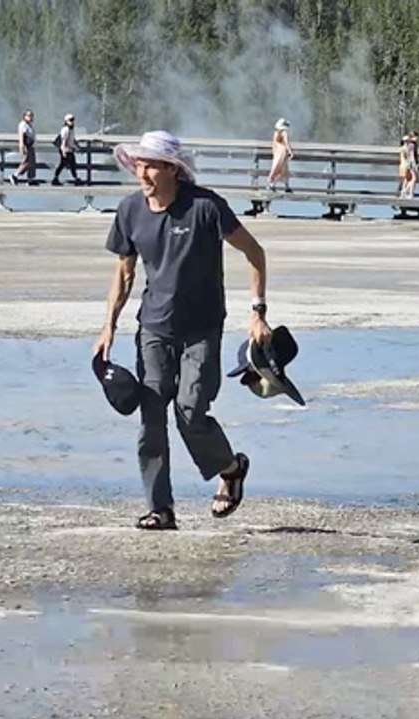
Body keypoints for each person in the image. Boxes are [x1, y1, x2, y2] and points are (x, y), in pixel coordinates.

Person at [93, 130, 273, 530]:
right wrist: (107, 328)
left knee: (190, 411)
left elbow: (255, 252)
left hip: (202, 329)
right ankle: (161, 508)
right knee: (152, 414)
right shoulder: (129, 211)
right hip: (154, 328)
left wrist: (258, 311)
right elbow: (123, 275)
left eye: (150, 164)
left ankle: (230, 468)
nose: (141, 172)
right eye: (138, 164)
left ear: (172, 169)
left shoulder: (206, 207)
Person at [9, 109, 36, 186]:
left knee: (32, 163)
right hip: (26, 146)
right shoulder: (23, 125)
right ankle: (14, 175)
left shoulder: (30, 125)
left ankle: (30, 179)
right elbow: (21, 136)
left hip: (31, 145)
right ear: (24, 116)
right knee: (26, 162)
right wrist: (22, 146)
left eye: (32, 115)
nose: (31, 117)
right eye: (29, 115)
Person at [51, 113, 80, 186]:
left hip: (69, 149)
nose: (72, 121)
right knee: (63, 164)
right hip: (65, 149)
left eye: (73, 120)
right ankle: (56, 178)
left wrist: (76, 146)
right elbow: (63, 140)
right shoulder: (65, 129)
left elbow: (72, 139)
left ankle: (75, 178)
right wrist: (64, 151)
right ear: (66, 121)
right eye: (70, 120)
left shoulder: (71, 129)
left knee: (71, 164)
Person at [266, 118, 293, 192]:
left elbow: (274, 145)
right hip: (283, 153)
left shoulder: (276, 133)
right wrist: (290, 151)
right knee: (283, 170)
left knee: (277, 169)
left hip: (277, 153)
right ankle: (285, 186)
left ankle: (273, 184)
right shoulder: (284, 133)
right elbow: (287, 143)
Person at [398, 131, 419, 198]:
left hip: (408, 164)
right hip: (410, 164)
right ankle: (407, 192)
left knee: (409, 179)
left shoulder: (406, 146)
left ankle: (405, 192)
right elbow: (411, 156)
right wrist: (414, 164)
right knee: (414, 178)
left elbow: (408, 156)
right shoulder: (411, 145)